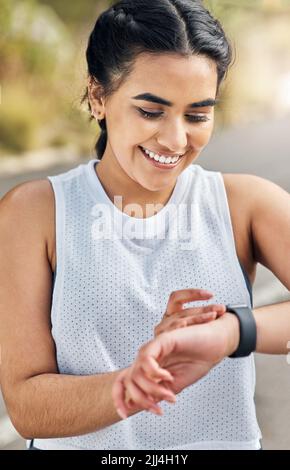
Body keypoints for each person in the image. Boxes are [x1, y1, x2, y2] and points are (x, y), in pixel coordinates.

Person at [0, 0, 289, 452]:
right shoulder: (34, 212)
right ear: (98, 97)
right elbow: (27, 406)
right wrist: (131, 387)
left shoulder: (246, 204)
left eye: (197, 114)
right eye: (151, 111)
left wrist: (228, 331)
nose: (176, 139)